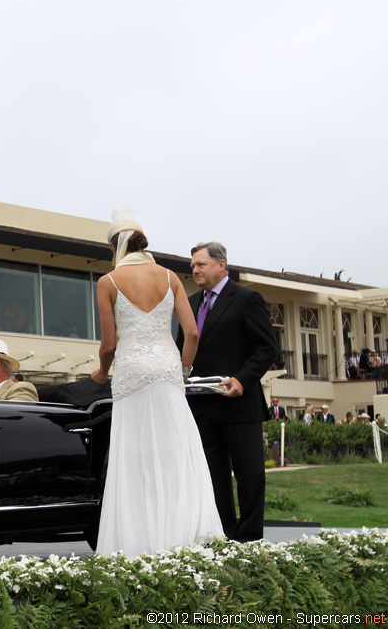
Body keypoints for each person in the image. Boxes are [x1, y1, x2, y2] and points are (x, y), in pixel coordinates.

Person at [91, 212, 222, 556]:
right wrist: (183, 369)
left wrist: (102, 371)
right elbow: (191, 332)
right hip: (166, 371)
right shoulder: (170, 277)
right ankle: (180, 535)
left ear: (114, 245)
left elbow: (108, 345)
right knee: (174, 451)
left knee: (135, 457)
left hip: (132, 374)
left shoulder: (108, 282)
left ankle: (140, 543)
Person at [179, 240, 278, 544]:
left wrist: (242, 379)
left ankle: (249, 539)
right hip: (202, 407)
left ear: (221, 265)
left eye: (201, 264)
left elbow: (267, 348)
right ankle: (225, 533)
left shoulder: (247, 299)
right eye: (193, 265)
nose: (195, 269)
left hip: (238, 403)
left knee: (249, 476)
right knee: (212, 477)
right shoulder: (191, 303)